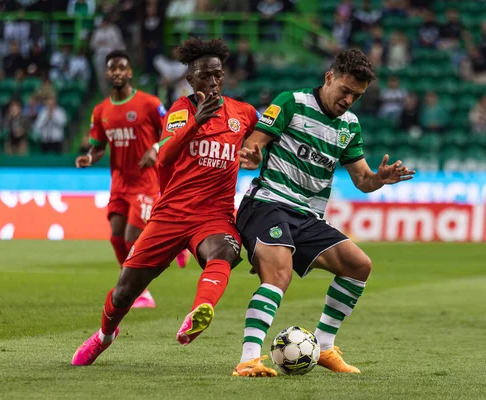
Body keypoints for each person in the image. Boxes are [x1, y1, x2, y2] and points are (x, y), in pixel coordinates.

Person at [71, 38, 260, 366]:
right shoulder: (180, 110)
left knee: (226, 251)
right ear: (190, 79)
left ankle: (201, 311)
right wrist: (196, 121)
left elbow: (268, 133)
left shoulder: (242, 112)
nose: (213, 81)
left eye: (217, 75)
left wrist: (256, 151)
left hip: (214, 215)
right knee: (123, 292)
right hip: (171, 214)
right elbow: (165, 154)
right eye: (204, 76)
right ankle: (104, 335)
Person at [232, 49, 415, 377]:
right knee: (279, 274)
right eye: (345, 90)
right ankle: (248, 358)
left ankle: (325, 345)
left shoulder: (350, 126)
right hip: (267, 203)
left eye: (357, 96)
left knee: (359, 265)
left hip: (306, 216)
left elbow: (362, 179)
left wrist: (380, 179)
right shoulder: (292, 102)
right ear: (329, 77)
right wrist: (253, 154)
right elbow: (254, 143)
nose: (348, 100)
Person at [75, 50, 165, 309]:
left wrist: (155, 149)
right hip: (119, 184)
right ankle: (139, 289)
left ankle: (140, 288)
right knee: (116, 238)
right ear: (106, 73)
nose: (116, 72)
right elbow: (99, 146)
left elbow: (173, 128)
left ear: (129, 73)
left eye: (121, 68)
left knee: (130, 239)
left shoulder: (149, 104)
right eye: (112, 68)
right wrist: (90, 158)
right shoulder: (101, 110)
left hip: (146, 183)